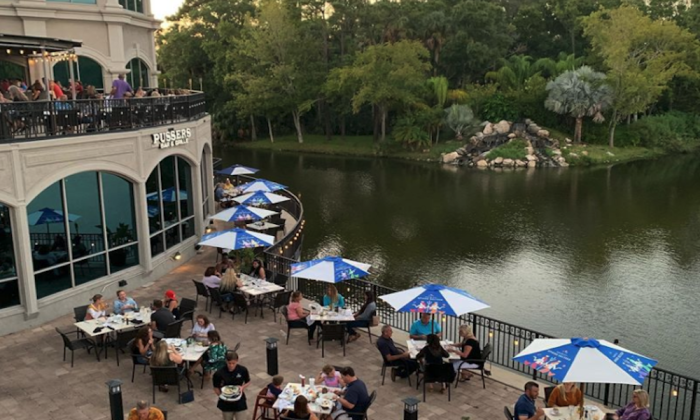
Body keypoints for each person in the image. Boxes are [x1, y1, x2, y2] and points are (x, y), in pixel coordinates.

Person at [213, 351, 251, 420]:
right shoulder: (219, 373)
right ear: (226, 361)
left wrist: (242, 387)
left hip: (239, 400)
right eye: (229, 363)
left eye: (233, 363)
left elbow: (248, 382)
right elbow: (216, 388)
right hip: (226, 402)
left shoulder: (243, 370)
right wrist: (222, 396)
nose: (231, 365)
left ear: (237, 361)